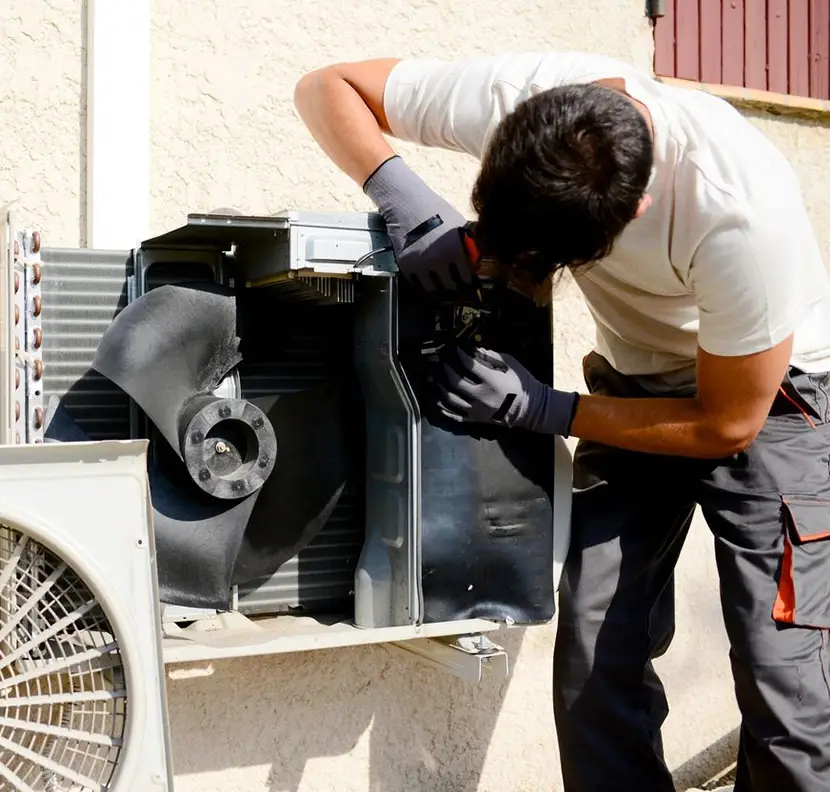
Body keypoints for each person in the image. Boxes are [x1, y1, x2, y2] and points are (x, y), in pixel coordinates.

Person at [293, 50, 830, 792]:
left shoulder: (740, 214)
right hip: (635, 383)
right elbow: (329, 87)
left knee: (786, 685)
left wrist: (551, 410)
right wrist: (400, 192)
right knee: (593, 650)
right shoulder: (525, 97)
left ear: (632, 212)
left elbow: (727, 424)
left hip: (769, 401)